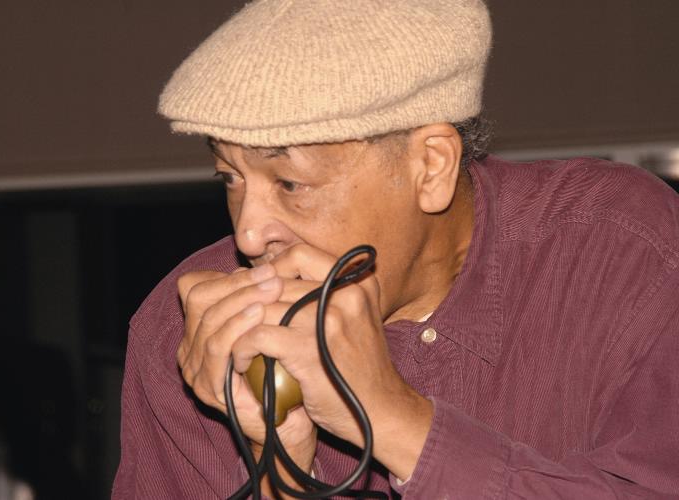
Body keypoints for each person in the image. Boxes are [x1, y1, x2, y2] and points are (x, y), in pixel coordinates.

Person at [112, 0, 679, 498]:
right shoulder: (189, 328)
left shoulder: (620, 246)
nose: (249, 234)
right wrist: (281, 470)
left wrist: (393, 420)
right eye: (230, 178)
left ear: (430, 166)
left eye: (290, 183)